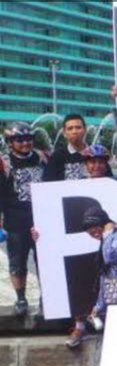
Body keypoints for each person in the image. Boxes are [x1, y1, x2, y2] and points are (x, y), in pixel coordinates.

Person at [0, 122, 48, 316]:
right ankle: (21, 297)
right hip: (16, 221)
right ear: (10, 142)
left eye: (29, 138)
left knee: (45, 261)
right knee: (18, 262)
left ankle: (47, 295)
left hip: (43, 219)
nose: (25, 143)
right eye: (19, 139)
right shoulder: (4, 163)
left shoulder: (42, 158)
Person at [71, 207, 117, 348]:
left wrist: (107, 233)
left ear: (103, 224)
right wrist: (98, 306)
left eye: (96, 230)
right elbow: (105, 276)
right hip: (116, 298)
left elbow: (109, 256)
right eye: (91, 233)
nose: (95, 234)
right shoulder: (107, 239)